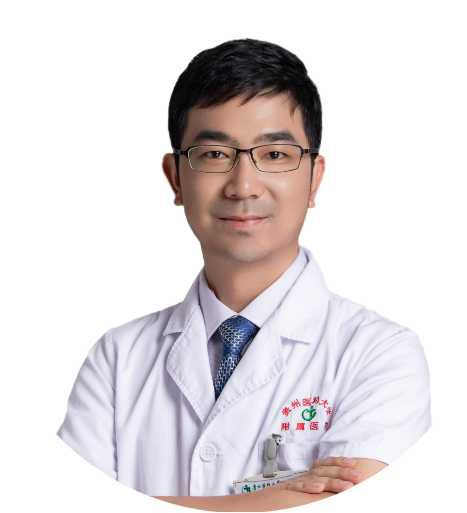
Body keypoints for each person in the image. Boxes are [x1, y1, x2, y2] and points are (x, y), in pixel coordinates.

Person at [56, 38, 431, 510]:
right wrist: (280, 498)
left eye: (274, 155)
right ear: (176, 177)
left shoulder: (380, 354)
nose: (243, 185)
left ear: (314, 178)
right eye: (215, 155)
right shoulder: (117, 361)